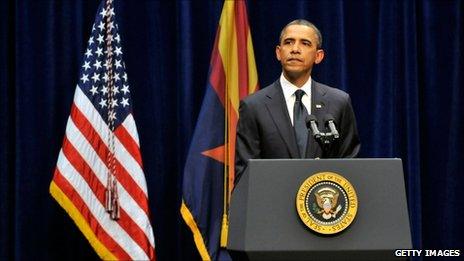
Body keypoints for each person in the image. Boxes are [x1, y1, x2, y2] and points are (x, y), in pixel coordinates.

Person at [235, 19, 360, 182]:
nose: (295, 49)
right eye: (288, 42)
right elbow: (246, 176)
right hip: (272, 205)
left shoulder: (338, 102)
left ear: (318, 56)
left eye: (305, 43)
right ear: (278, 53)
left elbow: (350, 167)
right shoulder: (253, 106)